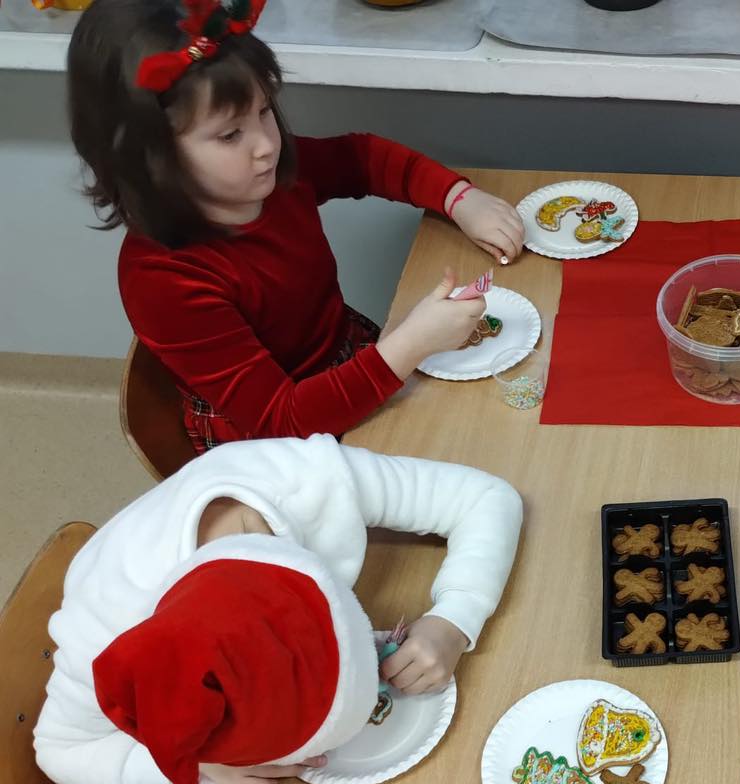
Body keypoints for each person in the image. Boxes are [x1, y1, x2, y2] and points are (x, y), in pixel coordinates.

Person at [34, 435, 523, 784]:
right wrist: (190, 766)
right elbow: (57, 750)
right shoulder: (101, 633)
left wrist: (455, 616)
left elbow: (488, 498)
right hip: (140, 745)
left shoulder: (306, 477)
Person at [67, 0, 525, 450]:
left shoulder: (269, 174)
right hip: (275, 441)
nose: (267, 145)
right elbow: (283, 419)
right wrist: (412, 343)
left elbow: (362, 159)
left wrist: (460, 198)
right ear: (149, 156)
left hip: (344, 364)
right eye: (230, 134)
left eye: (265, 110)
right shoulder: (163, 279)